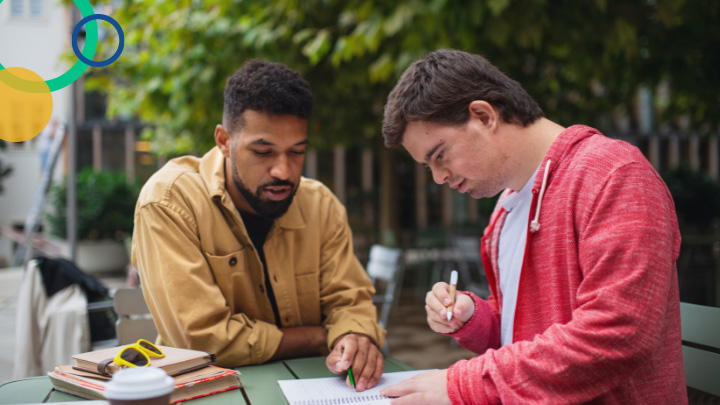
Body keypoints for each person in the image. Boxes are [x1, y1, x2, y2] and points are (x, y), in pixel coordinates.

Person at [378, 49, 686, 404]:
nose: (439, 177)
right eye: (427, 166)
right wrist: (474, 318)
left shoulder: (614, 175)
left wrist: (462, 385)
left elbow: (618, 335)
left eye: (440, 155)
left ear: (483, 116)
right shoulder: (505, 211)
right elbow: (520, 336)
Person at [132, 59, 385, 391]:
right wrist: (319, 337)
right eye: (263, 152)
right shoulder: (169, 202)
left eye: (296, 152)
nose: (283, 171)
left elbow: (351, 301)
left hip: (320, 390)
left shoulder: (320, 205)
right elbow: (200, 339)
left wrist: (355, 335)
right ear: (224, 141)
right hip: (207, 393)